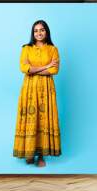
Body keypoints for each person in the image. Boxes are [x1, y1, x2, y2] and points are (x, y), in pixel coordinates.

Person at [13, 20, 61, 167]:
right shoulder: (26, 48)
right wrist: (46, 65)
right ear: (32, 33)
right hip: (29, 89)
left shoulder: (53, 49)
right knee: (29, 119)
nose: (39, 33)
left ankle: (40, 156)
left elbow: (54, 71)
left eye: (42, 30)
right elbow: (24, 68)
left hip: (46, 90)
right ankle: (29, 153)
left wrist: (35, 68)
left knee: (43, 119)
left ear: (47, 32)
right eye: (36, 30)